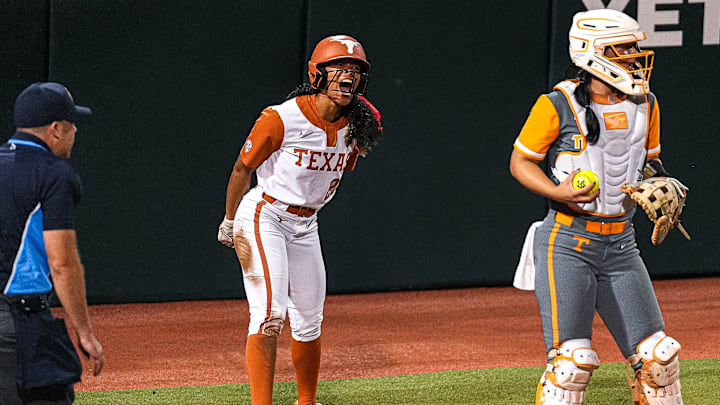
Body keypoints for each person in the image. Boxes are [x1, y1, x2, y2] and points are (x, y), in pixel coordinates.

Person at [509, 10, 684, 405]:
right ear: (594, 52)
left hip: (622, 245)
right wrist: (560, 191)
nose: (635, 55)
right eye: (624, 48)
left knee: (660, 358)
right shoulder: (557, 104)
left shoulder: (647, 103)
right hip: (567, 243)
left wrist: (659, 182)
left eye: (634, 47)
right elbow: (520, 161)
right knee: (571, 366)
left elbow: (650, 162)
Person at [217, 35, 382, 405]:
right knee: (269, 314)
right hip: (266, 214)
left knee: (309, 320)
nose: (349, 75)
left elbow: (338, 171)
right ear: (317, 73)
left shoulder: (355, 125)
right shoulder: (281, 117)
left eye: (356, 69)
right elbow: (243, 168)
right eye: (339, 67)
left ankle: (306, 402)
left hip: (307, 225)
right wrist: (229, 220)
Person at [0, 83, 104, 405]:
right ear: (56, 129)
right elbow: (62, 263)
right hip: (19, 329)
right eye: (72, 125)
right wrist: (84, 331)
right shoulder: (54, 173)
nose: (75, 132)